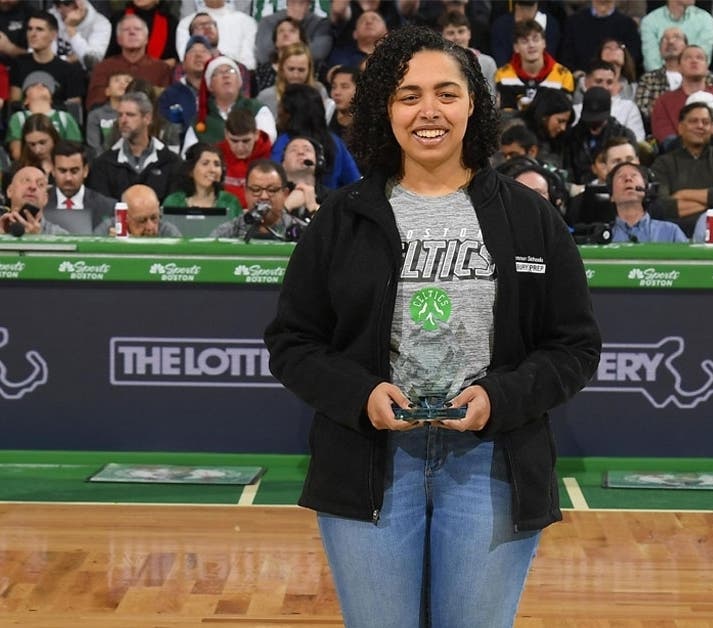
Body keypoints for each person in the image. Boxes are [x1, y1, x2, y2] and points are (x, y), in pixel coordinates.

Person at [263, 26, 601, 628]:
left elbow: (573, 346)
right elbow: (293, 343)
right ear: (384, 109)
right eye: (408, 94)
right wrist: (360, 393)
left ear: (474, 103)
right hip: (369, 462)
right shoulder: (342, 217)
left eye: (446, 93)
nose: (429, 111)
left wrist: (500, 397)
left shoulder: (531, 218)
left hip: (490, 464)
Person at [650, 101, 713, 236]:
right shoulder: (663, 163)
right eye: (693, 121)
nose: (700, 126)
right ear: (680, 128)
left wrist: (683, 194)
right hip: (673, 236)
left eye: (705, 122)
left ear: (712, 127)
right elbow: (662, 206)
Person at [87, 91, 181, 202]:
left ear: (147, 118)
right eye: (120, 115)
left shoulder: (171, 162)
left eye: (130, 115)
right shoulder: (103, 164)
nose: (123, 120)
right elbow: (102, 207)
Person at [270, 83, 361, 189]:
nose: (279, 111)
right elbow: (355, 183)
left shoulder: (284, 143)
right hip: (330, 202)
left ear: (289, 113)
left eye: (281, 107)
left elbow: (273, 183)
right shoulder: (335, 142)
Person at [651, 45, 713, 148]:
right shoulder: (664, 101)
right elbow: (667, 141)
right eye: (688, 58)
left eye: (699, 58)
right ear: (679, 67)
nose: (694, 61)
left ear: (707, 66)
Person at [182, 55, 276, 153]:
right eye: (217, 73)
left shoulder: (256, 108)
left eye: (231, 71)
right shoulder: (200, 120)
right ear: (210, 86)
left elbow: (268, 140)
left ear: (240, 82)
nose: (226, 75)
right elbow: (188, 154)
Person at [86, 13, 172, 110]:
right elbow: (94, 102)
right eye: (126, 30)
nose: (132, 32)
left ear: (146, 39)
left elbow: (167, 104)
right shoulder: (103, 68)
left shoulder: (161, 68)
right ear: (118, 39)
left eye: (137, 29)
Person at [494, 19, 573, 111]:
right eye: (524, 41)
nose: (531, 45)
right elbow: (504, 115)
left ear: (544, 43)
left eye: (535, 39)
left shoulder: (564, 75)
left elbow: (564, 114)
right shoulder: (502, 75)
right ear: (516, 47)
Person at [9, 11, 85, 105]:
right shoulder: (18, 64)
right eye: (30, 29)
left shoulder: (70, 71)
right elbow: (14, 106)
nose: (33, 34)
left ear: (53, 35)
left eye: (39, 29)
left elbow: (74, 112)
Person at [209, 159, 297, 240]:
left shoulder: (300, 232)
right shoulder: (225, 234)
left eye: (272, 190)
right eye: (256, 190)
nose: (264, 196)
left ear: (285, 194)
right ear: (246, 192)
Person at [6, 71, 83, 161]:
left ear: (51, 97)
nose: (40, 85)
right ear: (25, 100)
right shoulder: (18, 118)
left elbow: (74, 150)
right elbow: (17, 153)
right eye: (33, 85)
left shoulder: (65, 118)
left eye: (45, 85)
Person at [607, 161, 688, 242]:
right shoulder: (603, 236)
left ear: (646, 189)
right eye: (620, 176)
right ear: (612, 196)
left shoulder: (671, 232)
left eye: (634, 175)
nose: (628, 178)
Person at [46, 140, 117, 230]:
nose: (68, 178)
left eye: (74, 171)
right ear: (53, 171)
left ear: (85, 171)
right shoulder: (40, 204)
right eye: (62, 171)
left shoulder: (107, 207)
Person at [559, 0, 642, 75]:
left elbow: (632, 58)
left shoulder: (628, 25)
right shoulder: (573, 22)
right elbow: (566, 57)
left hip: (617, 82)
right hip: (580, 82)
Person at [162, 142, 242, 217]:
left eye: (217, 164)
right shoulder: (174, 202)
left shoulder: (231, 202)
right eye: (205, 163)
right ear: (190, 170)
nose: (212, 170)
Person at [256, 41, 331, 120]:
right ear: (282, 69)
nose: (296, 75)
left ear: (309, 70)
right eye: (291, 69)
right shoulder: (266, 97)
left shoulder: (319, 91)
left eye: (301, 70)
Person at [176, 0, 257, 71]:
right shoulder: (186, 23)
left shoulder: (247, 21)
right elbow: (186, 60)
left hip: (237, 79)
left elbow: (249, 63)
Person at [217, 108, 273, 208]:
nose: (240, 147)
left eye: (246, 141)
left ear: (256, 134)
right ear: (226, 134)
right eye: (234, 141)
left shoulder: (271, 155)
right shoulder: (216, 155)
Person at [640, 0, 713, 72]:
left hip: (693, 77)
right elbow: (651, 63)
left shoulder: (705, 19)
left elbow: (702, 59)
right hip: (659, 79)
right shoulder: (650, 21)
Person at [0, 165, 68, 236]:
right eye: (26, 181)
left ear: (46, 198)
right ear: (10, 191)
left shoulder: (60, 235)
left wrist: (36, 239)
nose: (33, 187)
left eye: (40, 184)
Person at [94, 183, 182, 237]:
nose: (150, 227)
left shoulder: (168, 232)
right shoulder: (107, 230)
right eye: (142, 220)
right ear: (125, 217)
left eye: (154, 218)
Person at [48, 0, 112, 70]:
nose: (77, 6)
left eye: (77, 1)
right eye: (68, 3)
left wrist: (71, 28)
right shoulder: (49, 17)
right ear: (58, 7)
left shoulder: (101, 24)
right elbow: (41, 56)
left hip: (84, 76)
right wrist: (70, 58)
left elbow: (93, 63)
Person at [253, 15, 306, 94]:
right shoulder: (261, 72)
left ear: (301, 40)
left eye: (292, 31)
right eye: (281, 31)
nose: (285, 34)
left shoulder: (316, 69)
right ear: (275, 41)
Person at [86, 71, 132, 158]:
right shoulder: (96, 115)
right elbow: (94, 147)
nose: (122, 83)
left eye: (127, 81)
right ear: (107, 91)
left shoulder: (140, 114)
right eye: (117, 80)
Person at [280, 135, 329, 218]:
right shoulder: (272, 194)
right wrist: (286, 207)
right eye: (293, 150)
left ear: (319, 162)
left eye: (307, 150)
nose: (301, 153)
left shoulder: (331, 198)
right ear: (283, 164)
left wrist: (313, 208)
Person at [18, 113, 60, 181]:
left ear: (53, 138)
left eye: (42, 143)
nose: (37, 150)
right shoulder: (18, 169)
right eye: (32, 144)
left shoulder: (69, 162)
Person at [327, 64, 358, 140]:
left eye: (344, 87)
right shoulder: (326, 114)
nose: (336, 92)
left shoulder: (369, 123)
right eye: (334, 87)